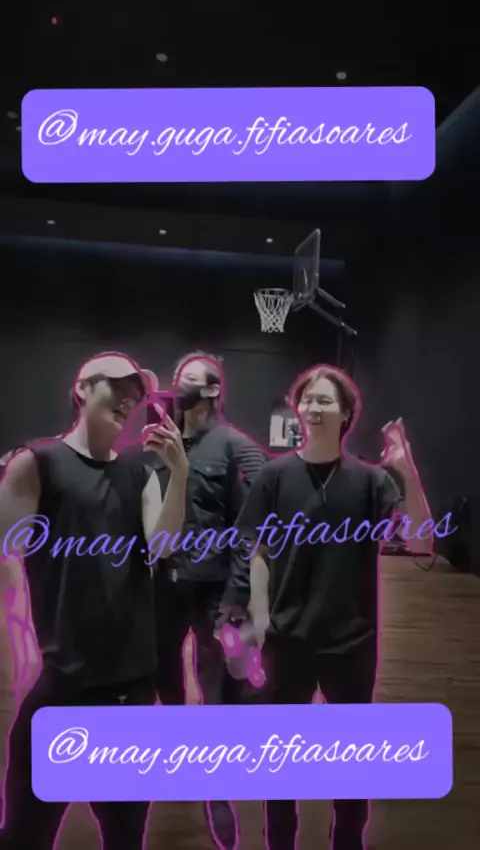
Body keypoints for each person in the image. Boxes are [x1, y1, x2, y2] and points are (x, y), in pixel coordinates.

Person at [235, 364, 433, 850]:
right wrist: (259, 617)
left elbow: (423, 543)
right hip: (288, 640)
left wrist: (406, 471)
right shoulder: (274, 476)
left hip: (352, 642)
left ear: (346, 414)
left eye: (325, 400)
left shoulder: (371, 481)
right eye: (307, 399)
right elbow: (257, 551)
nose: (313, 407)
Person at [0, 352, 189, 850]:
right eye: (117, 388)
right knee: (25, 835)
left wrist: (180, 475)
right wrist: (19, 643)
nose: (129, 400)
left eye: (136, 395)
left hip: (129, 691)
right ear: (82, 389)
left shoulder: (140, 475)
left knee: (124, 837)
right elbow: (4, 557)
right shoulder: (37, 463)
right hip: (63, 684)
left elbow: (161, 545)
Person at [150, 351, 266, 850]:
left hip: (215, 590)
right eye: (180, 378)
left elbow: (252, 531)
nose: (183, 385)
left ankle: (218, 790)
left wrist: (238, 595)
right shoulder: (158, 442)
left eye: (193, 379)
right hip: (164, 585)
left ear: (215, 391)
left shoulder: (238, 448)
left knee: (216, 685)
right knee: (162, 673)